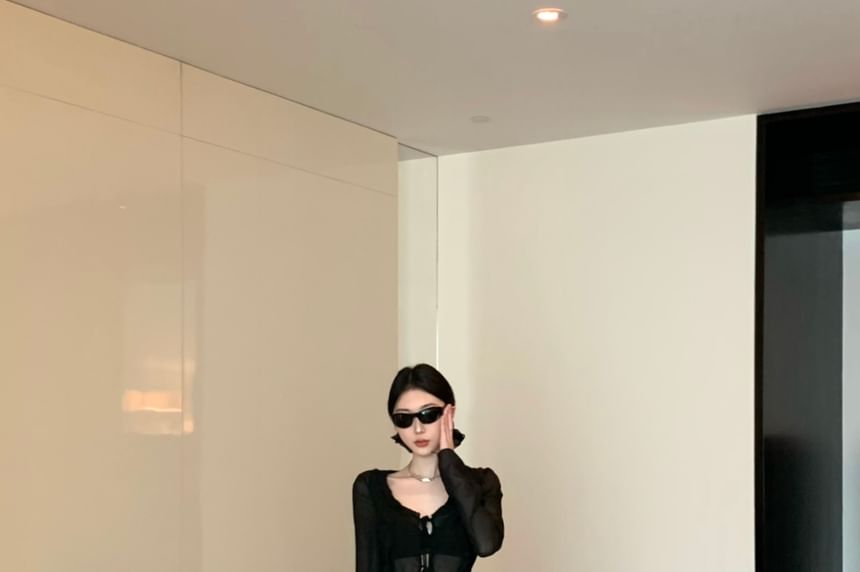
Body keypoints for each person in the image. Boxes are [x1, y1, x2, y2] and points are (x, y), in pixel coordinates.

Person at [352, 364, 504, 572]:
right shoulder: (371, 487)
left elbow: (487, 545)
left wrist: (448, 459)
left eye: (428, 414)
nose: (418, 428)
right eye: (404, 419)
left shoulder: (482, 482)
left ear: (449, 413)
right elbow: (366, 566)